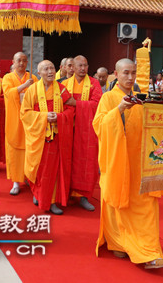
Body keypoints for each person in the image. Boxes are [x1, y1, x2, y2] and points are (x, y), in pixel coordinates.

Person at [93, 58, 163, 269]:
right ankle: (119, 241)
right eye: (126, 73)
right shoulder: (108, 98)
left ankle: (149, 252)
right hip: (119, 161)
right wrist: (118, 110)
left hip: (142, 164)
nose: (130, 77)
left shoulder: (140, 98)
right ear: (116, 75)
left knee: (146, 205)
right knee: (119, 201)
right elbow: (98, 125)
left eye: (133, 73)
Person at [21, 60, 76, 214]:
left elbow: (70, 108)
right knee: (38, 168)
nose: (50, 71)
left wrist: (59, 117)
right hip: (39, 138)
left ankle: (50, 201)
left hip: (56, 138)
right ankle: (37, 193)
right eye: (46, 69)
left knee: (51, 171)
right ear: (39, 73)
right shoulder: (32, 90)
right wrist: (44, 117)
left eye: (52, 68)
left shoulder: (62, 89)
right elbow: (24, 113)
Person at [62, 55, 102, 211]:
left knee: (86, 161)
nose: (82, 68)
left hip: (87, 130)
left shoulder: (94, 84)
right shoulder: (65, 84)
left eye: (85, 65)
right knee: (67, 160)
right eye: (79, 65)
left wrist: (76, 103)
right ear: (72, 67)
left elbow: (98, 104)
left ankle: (84, 196)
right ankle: (66, 193)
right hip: (69, 129)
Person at [2, 52, 38, 195]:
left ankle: (29, 178)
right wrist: (24, 86)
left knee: (30, 150)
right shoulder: (8, 77)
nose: (22, 63)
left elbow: (37, 95)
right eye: (19, 60)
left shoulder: (33, 77)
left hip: (29, 120)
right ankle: (16, 182)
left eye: (24, 60)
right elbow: (8, 93)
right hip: (14, 119)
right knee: (14, 152)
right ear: (13, 62)